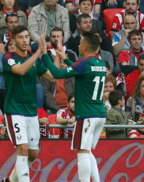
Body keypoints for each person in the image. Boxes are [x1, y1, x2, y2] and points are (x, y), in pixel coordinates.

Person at [43, 32, 106, 182]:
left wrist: (45, 54)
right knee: (87, 150)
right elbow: (80, 69)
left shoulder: (84, 64)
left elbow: (57, 73)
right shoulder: (100, 64)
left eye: (79, 44)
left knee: (82, 152)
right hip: (100, 114)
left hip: (86, 115)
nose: (78, 45)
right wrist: (65, 58)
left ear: (84, 47)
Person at [1, 26, 54, 182]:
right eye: (21, 38)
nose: (25, 40)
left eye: (26, 37)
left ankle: (10, 180)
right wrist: (38, 53)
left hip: (31, 112)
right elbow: (21, 70)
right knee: (22, 149)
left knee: (32, 154)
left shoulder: (35, 58)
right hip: (14, 110)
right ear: (14, 40)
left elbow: (51, 77)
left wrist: (47, 54)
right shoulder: (8, 57)